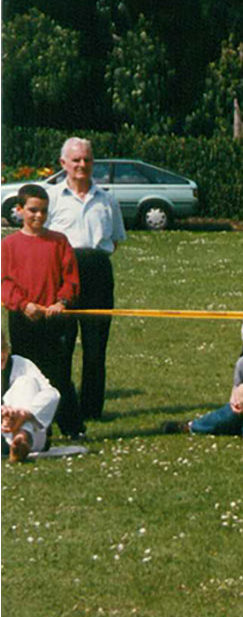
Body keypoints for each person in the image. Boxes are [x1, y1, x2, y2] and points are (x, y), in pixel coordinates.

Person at [44, 136, 125, 421]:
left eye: (87, 160)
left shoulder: (107, 199)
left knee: (95, 349)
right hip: (61, 277)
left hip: (98, 276)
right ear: (63, 163)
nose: (82, 165)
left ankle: (91, 409)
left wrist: (92, 264)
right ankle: (61, 408)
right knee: (61, 347)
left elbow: (115, 241)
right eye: (76, 160)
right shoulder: (51, 198)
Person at [2, 183, 82, 438]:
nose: (38, 216)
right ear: (20, 210)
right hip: (23, 321)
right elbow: (4, 283)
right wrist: (23, 305)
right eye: (33, 210)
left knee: (59, 376)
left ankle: (72, 428)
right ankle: (24, 428)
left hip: (53, 320)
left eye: (44, 211)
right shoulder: (9, 245)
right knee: (25, 378)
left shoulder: (58, 242)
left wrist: (62, 302)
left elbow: (71, 278)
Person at [2, 333, 60, 463]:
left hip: (32, 432)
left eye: (2, 350)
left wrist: (26, 413)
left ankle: (21, 439)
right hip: (2, 431)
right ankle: (19, 441)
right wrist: (4, 413)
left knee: (26, 382)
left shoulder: (21, 363)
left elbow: (52, 394)